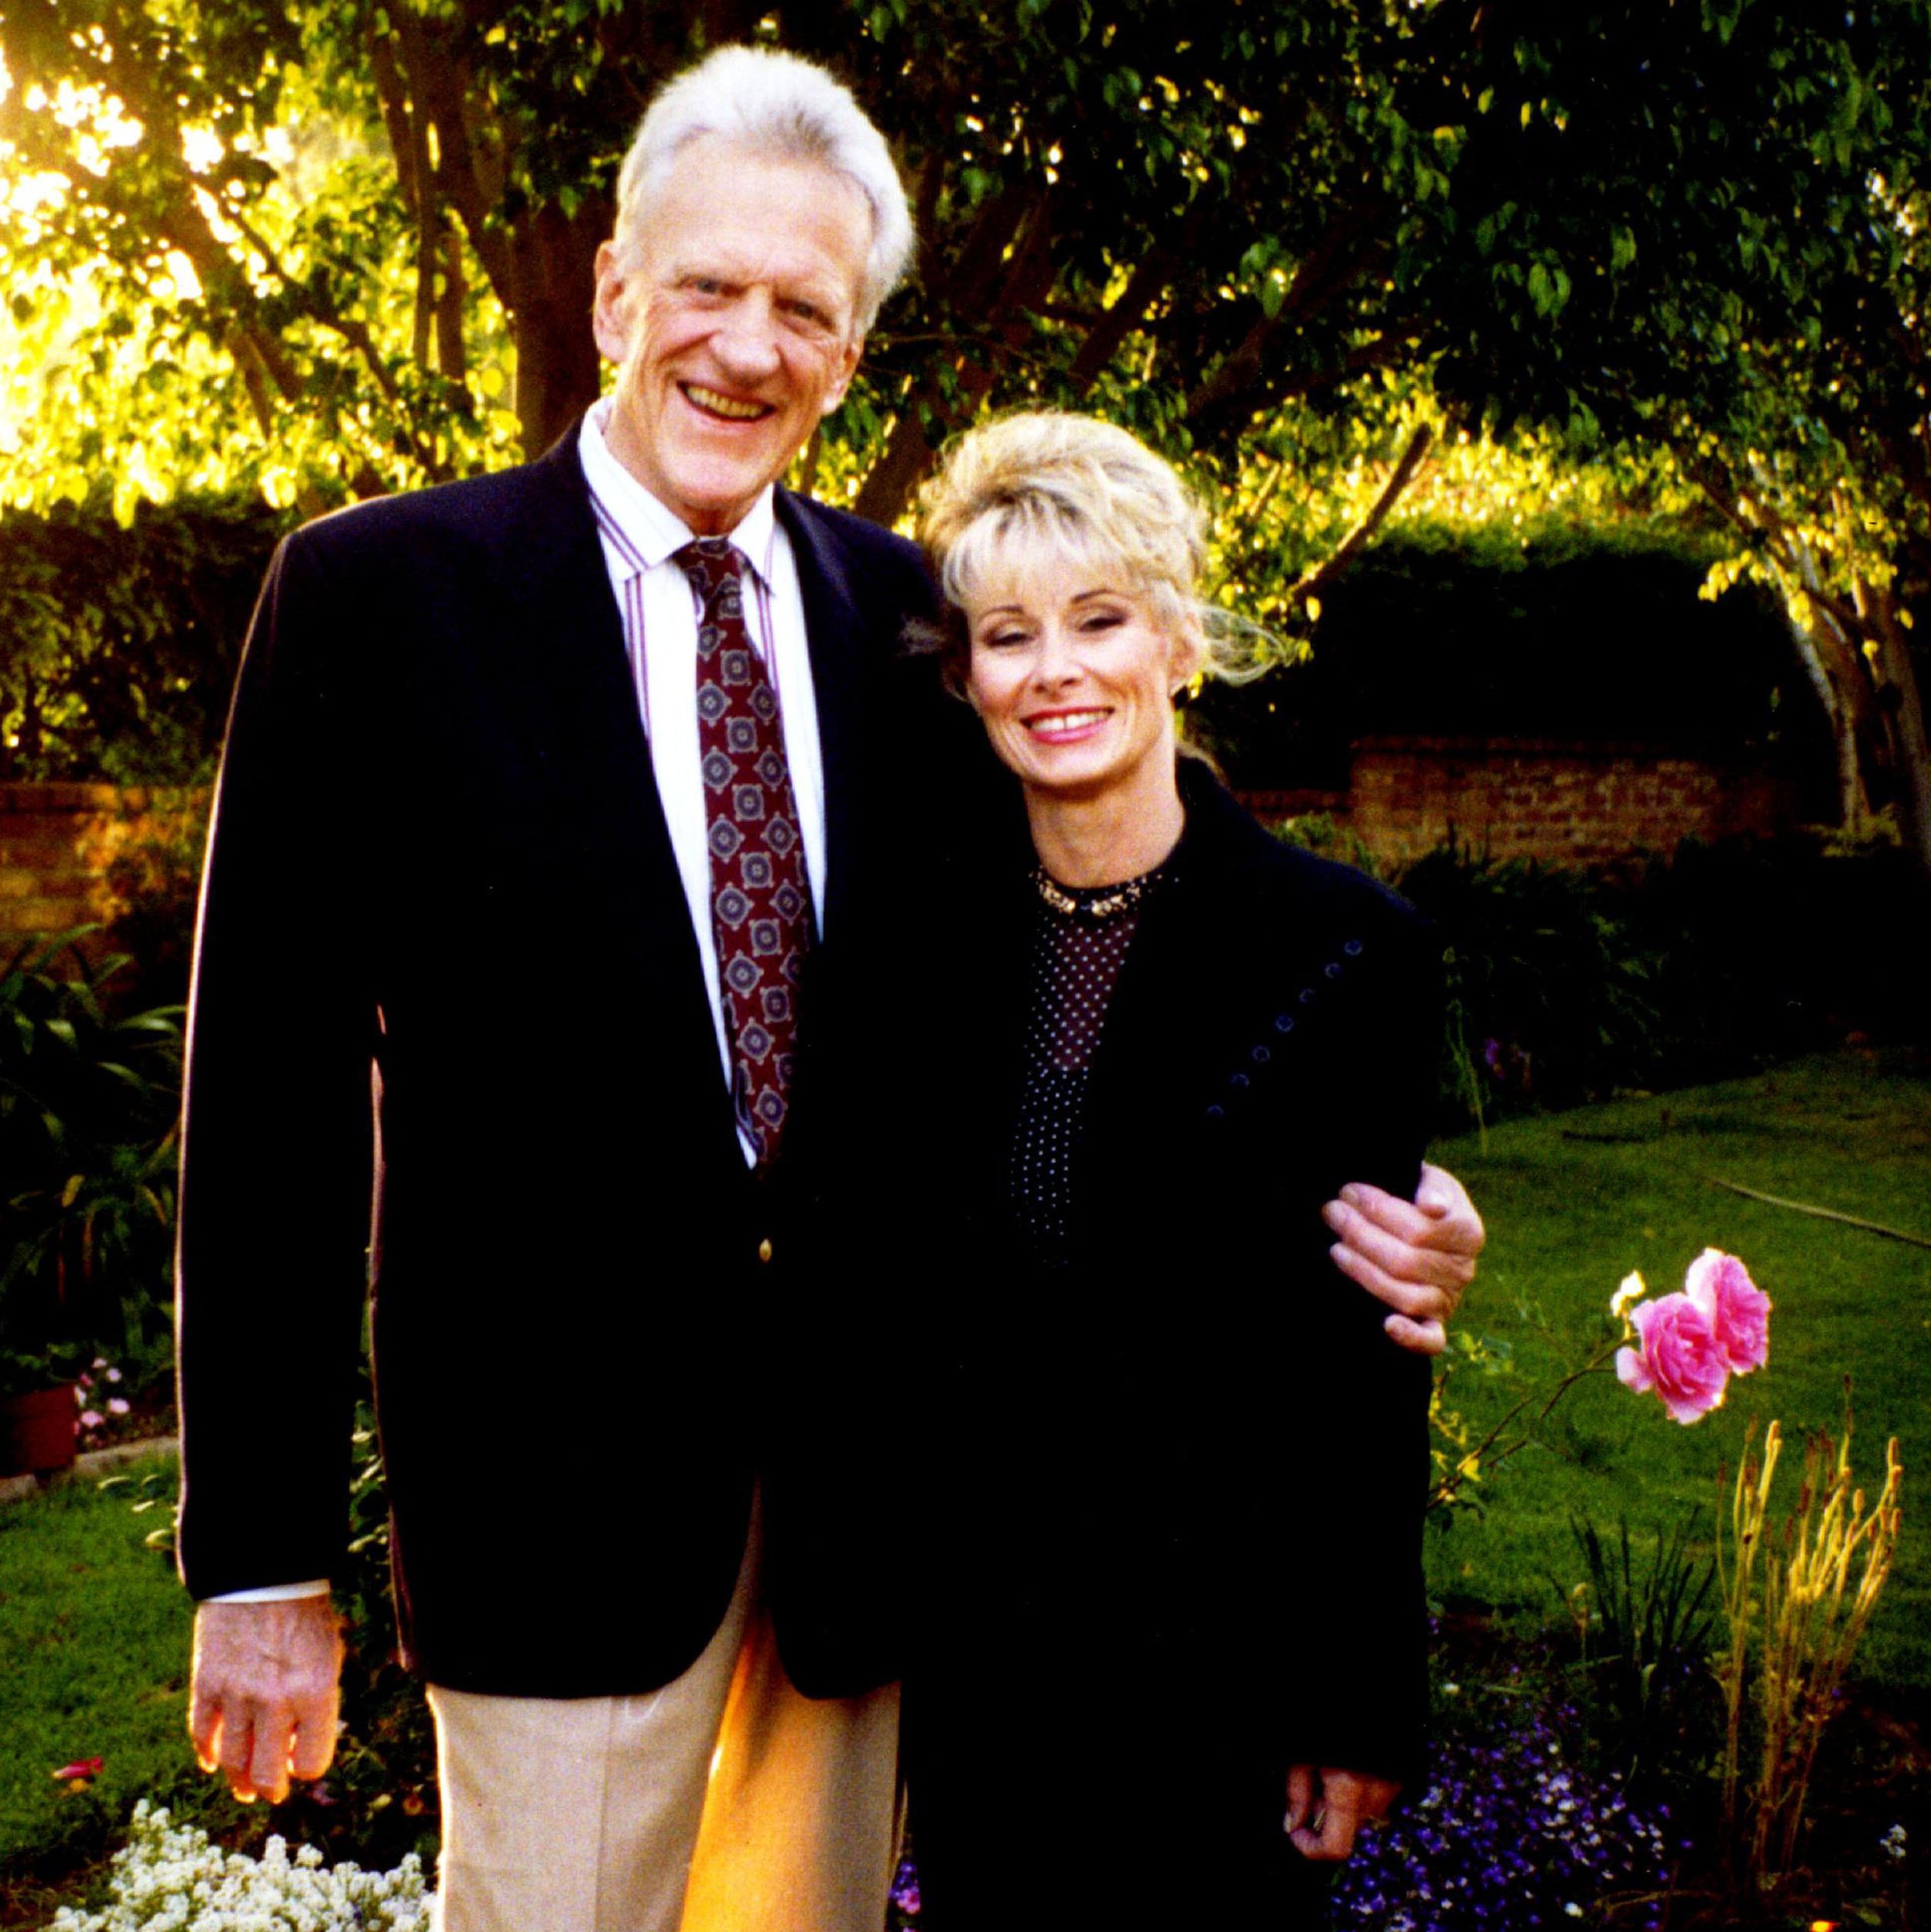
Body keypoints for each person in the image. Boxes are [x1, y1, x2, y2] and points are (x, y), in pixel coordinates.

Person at [171, 47, 1478, 1932]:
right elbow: (267, 1095)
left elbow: (1137, 932)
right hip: (559, 1512)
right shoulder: (376, 603)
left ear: (852, 355)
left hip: (876, 1520)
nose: (746, 346)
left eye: (807, 309)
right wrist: (261, 1558)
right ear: (617, 292)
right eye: (707, 287)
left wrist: (1382, 1191)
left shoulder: (910, 624)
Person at [864, 411, 1440, 1927]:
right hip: (983, 1671)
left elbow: (1370, 1354)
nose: (1055, 670)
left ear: (1179, 640)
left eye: (1099, 619)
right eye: (1008, 634)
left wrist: (1358, 1691)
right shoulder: (915, 943)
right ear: (968, 678)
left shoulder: (1342, 948)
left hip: (1224, 1677)